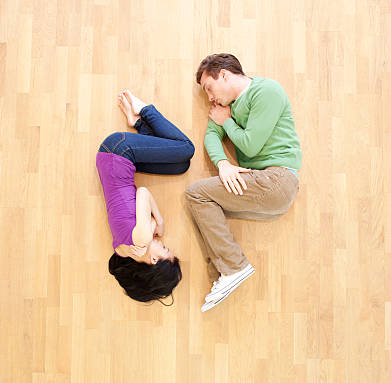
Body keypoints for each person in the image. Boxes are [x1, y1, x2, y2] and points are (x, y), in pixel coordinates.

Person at [185, 53, 302, 312]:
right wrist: (223, 164)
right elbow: (211, 138)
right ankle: (223, 276)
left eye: (209, 88)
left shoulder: (266, 91)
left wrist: (226, 121)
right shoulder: (227, 107)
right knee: (202, 207)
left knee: (196, 194)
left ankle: (234, 267)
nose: (210, 98)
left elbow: (251, 143)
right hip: (262, 186)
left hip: (279, 179)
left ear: (224, 75)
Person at [97, 90, 195, 305]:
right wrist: (150, 227)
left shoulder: (142, 239)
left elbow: (143, 193)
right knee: (181, 165)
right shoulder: (122, 251)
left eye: (165, 249)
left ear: (153, 260)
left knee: (187, 149)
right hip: (112, 160)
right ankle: (136, 124)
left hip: (118, 149)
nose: (163, 243)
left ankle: (143, 110)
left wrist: (158, 221)